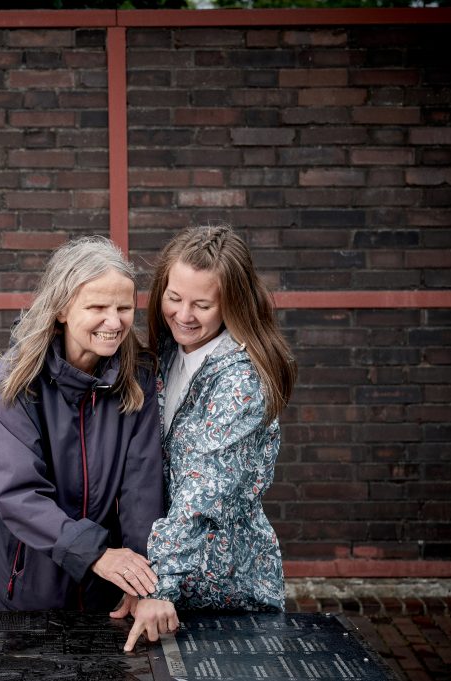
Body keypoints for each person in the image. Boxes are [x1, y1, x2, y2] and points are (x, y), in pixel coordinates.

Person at [112, 224, 297, 651]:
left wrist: (158, 587)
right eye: (174, 299)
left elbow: (201, 493)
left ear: (232, 303)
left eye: (202, 305)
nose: (184, 315)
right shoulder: (168, 356)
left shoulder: (240, 380)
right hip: (174, 588)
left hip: (228, 596)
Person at [0, 236, 165, 612]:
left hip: (99, 584)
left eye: (124, 307)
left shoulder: (138, 377)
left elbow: (142, 489)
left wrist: (140, 583)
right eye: (98, 306)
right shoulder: (16, 379)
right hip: (15, 583)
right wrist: (98, 554)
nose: (114, 322)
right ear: (62, 309)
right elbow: (20, 494)